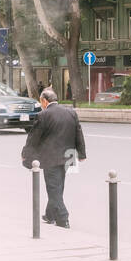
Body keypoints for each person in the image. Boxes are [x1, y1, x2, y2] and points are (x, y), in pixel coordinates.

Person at [21, 88, 86, 228]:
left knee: (53, 188)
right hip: (68, 156)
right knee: (58, 186)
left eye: (41, 102)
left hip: (51, 157)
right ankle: (50, 214)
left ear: (44, 101)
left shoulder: (43, 115)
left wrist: (25, 155)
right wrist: (81, 154)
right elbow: (78, 133)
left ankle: (63, 218)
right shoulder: (71, 112)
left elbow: (33, 138)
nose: (41, 105)